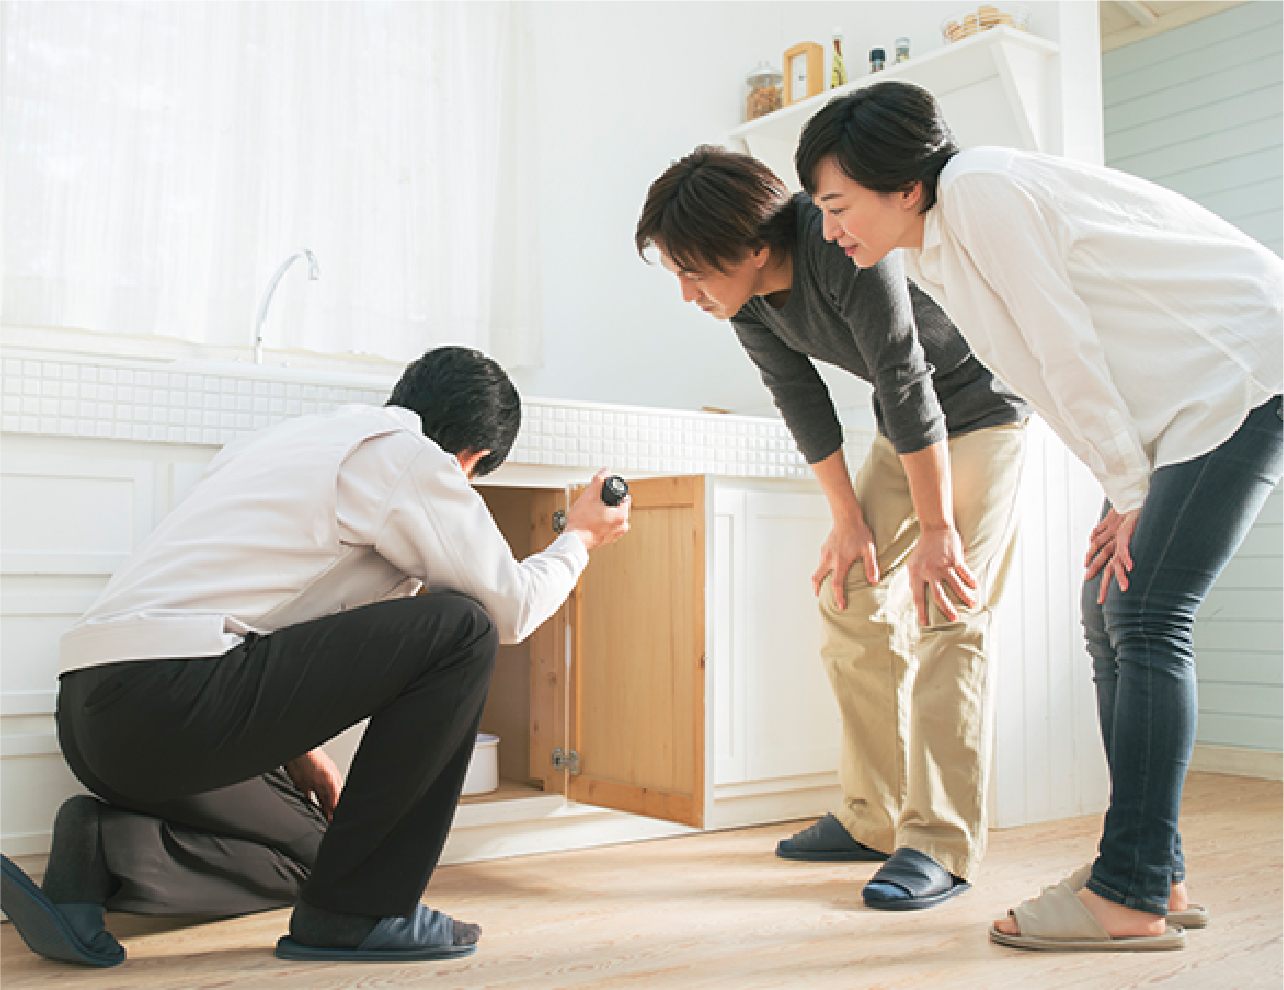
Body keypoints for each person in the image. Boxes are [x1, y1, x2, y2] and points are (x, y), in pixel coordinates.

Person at [794, 80, 1282, 951]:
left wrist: (1131, 491)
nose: (830, 231)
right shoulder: (940, 243)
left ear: (903, 187)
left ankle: (1125, 892)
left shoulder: (980, 190)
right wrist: (1119, 481)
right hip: (1176, 407)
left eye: (838, 206)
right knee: (1108, 615)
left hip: (1238, 369)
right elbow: (1048, 378)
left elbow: (1066, 346)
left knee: (1145, 612)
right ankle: (1154, 872)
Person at [0, 346, 630, 967]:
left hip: (94, 720)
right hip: (174, 703)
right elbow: (510, 610)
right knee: (463, 627)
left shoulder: (280, 442)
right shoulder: (411, 458)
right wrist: (579, 538)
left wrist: (301, 754)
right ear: (475, 456)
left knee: (321, 857)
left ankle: (104, 846)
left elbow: (257, 613)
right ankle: (359, 916)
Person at [635, 147, 1029, 911]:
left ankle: (940, 843)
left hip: (979, 412)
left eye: (694, 272)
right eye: (677, 274)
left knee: (949, 610)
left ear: (753, 246)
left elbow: (904, 375)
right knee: (848, 591)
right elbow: (799, 397)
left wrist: (938, 526)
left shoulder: (837, 242)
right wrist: (847, 522)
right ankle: (873, 816)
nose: (687, 293)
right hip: (905, 428)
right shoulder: (743, 301)